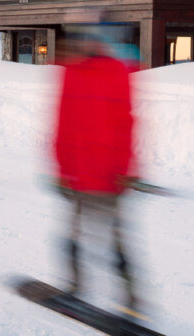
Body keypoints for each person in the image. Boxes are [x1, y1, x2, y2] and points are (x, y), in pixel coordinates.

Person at [52, 23, 141, 316]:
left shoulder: (117, 71)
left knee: (116, 239)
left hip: (109, 174)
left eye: (87, 37)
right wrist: (62, 170)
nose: (81, 44)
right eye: (77, 38)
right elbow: (61, 123)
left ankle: (131, 301)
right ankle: (75, 287)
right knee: (74, 234)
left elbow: (127, 123)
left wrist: (126, 167)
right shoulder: (69, 72)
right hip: (77, 174)